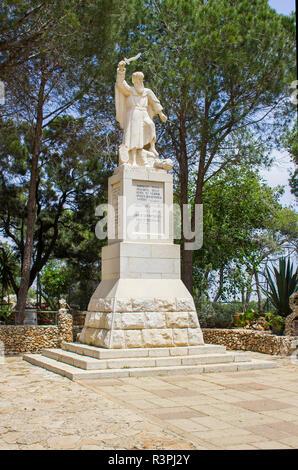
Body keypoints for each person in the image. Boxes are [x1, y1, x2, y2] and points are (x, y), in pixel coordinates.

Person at [115, 60, 167, 167]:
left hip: (144, 113)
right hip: (133, 114)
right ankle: (133, 160)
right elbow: (120, 83)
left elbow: (154, 101)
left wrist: (161, 114)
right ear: (133, 80)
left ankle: (151, 147)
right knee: (133, 138)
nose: (139, 81)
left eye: (140, 79)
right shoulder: (129, 90)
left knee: (151, 125)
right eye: (137, 79)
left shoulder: (147, 91)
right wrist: (121, 70)